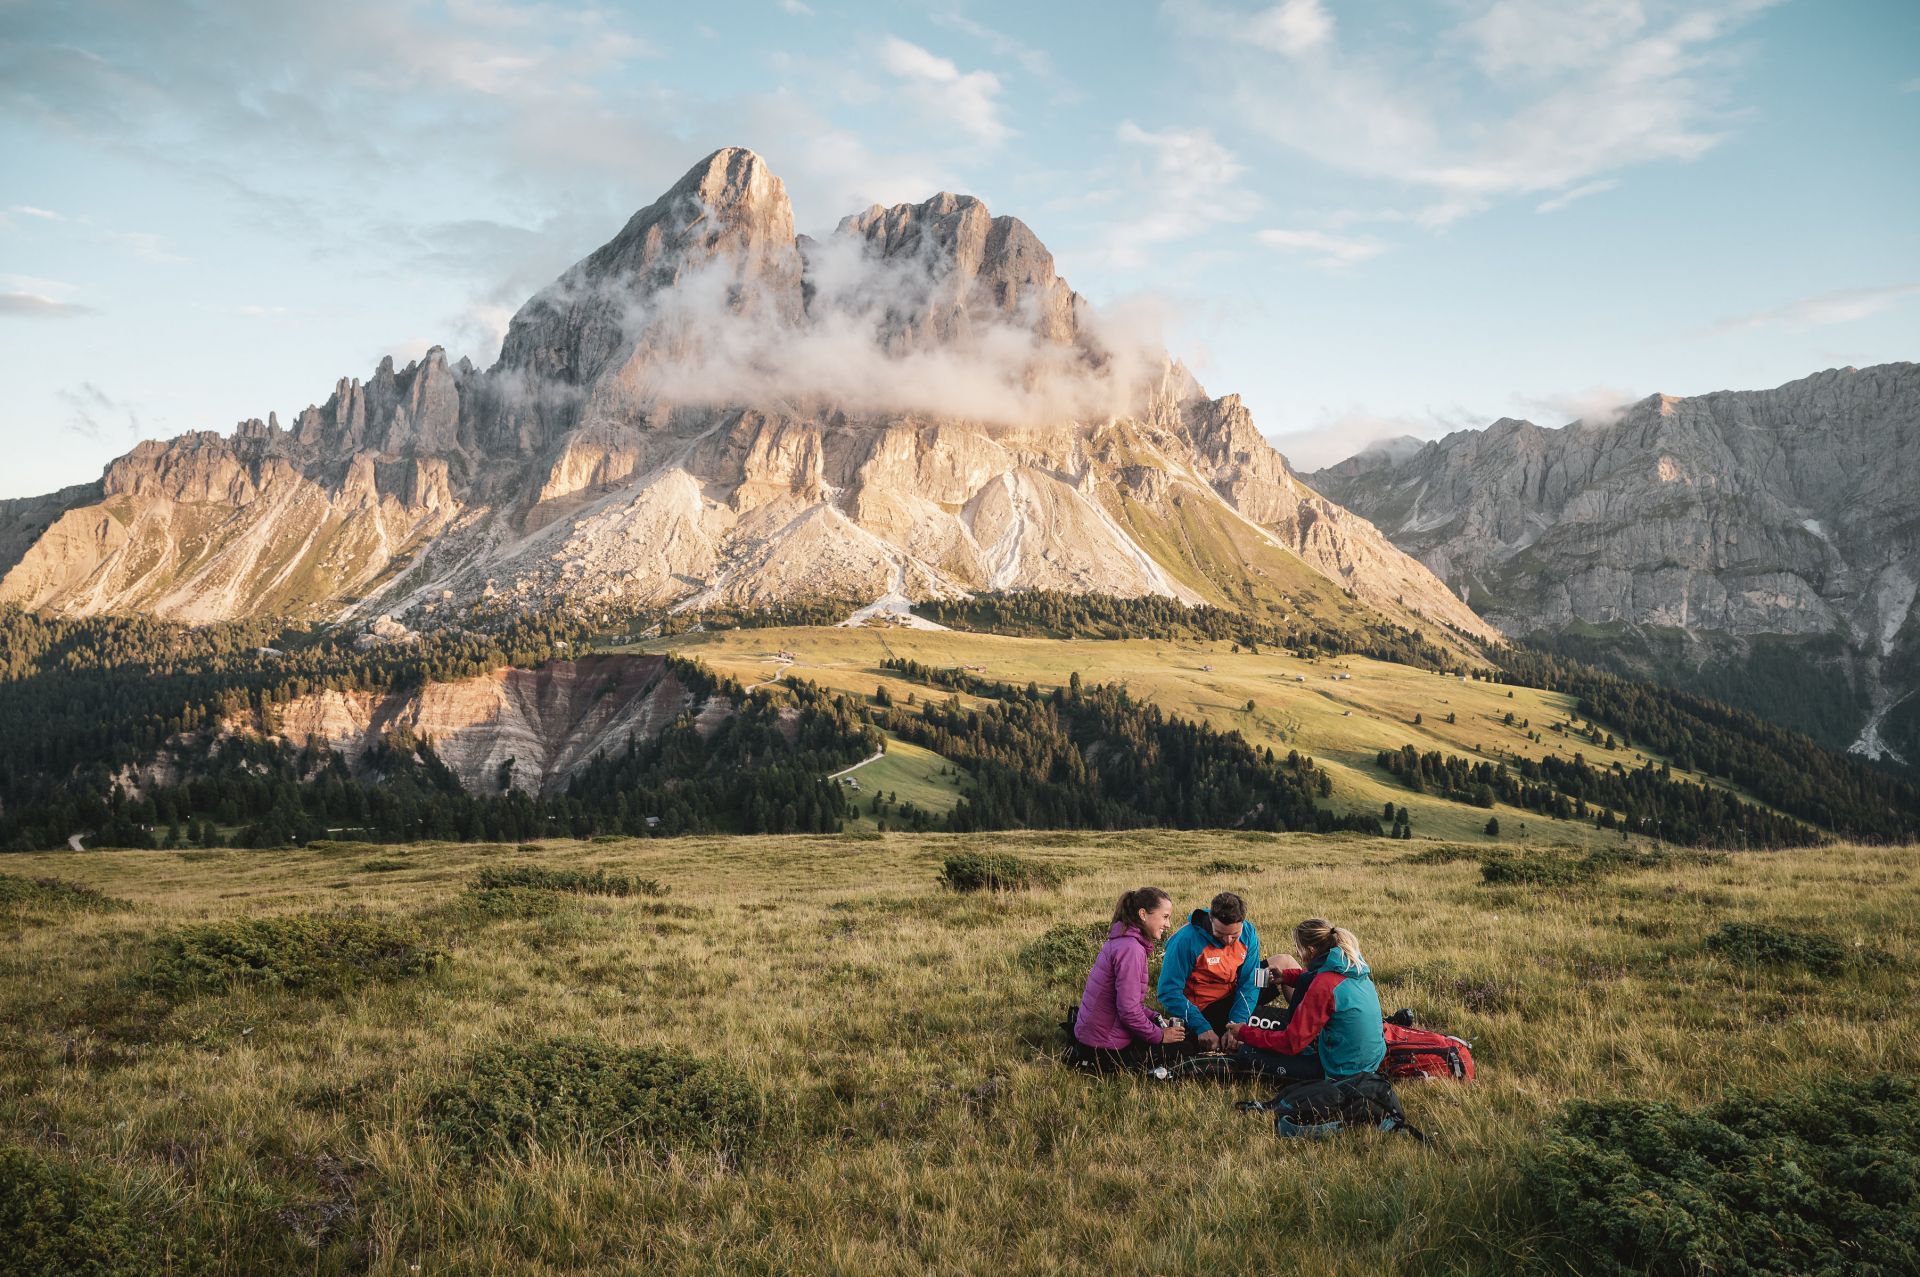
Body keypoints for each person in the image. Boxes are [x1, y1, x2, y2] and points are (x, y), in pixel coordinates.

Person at [1227, 918, 1386, 1081]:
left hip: (1340, 1071)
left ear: (1310, 950)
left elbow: (1291, 1043)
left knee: (1247, 1053)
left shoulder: (1324, 985)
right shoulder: (1352, 967)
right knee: (1304, 980)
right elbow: (1310, 976)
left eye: (1298, 948)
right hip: (1369, 1062)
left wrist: (1244, 1033)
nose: (1297, 953)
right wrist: (1286, 976)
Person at [1071, 886, 1188, 1071]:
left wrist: (1155, 1017)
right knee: (1185, 1048)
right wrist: (1161, 1036)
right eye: (1165, 917)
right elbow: (1128, 1011)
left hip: (1092, 1037)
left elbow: (1130, 1004)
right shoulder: (1131, 949)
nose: (1168, 924)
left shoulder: (1123, 940)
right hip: (1104, 1048)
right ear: (1143, 914)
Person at [1156, 891, 1279, 1052]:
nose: (1227, 940)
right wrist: (1201, 1026)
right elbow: (1168, 991)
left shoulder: (1248, 933)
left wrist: (1237, 1023)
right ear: (1210, 919)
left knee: (1284, 962)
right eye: (1220, 934)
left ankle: (1307, 1025)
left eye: (1234, 935)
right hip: (1203, 1009)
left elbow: (1249, 982)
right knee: (1277, 1025)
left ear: (1242, 923)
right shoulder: (1185, 940)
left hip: (1232, 997)